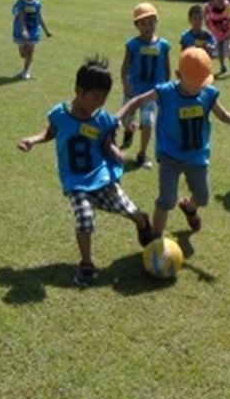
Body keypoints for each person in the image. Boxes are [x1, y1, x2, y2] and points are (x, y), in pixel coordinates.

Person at [17, 56, 153, 288]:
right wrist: (32, 140)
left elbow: (107, 143)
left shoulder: (100, 119)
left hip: (101, 177)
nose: (99, 103)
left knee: (128, 209)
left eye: (104, 98)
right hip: (75, 181)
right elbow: (50, 133)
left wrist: (117, 154)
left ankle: (142, 222)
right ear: (79, 91)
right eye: (95, 97)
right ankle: (86, 264)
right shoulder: (60, 114)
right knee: (85, 218)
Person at [116, 47, 230, 238]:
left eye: (201, 83)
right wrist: (119, 117)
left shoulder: (207, 93)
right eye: (194, 84)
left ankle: (190, 208)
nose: (198, 87)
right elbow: (138, 100)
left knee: (203, 197)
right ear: (178, 75)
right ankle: (155, 237)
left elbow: (221, 114)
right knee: (166, 200)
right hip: (169, 156)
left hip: (197, 156)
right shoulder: (165, 92)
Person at [120, 2, 171, 169]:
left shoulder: (163, 45)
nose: (147, 26)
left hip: (152, 91)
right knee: (126, 120)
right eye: (143, 23)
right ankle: (129, 130)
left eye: (150, 22)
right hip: (134, 89)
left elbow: (166, 66)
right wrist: (125, 83)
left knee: (148, 122)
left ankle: (142, 154)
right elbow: (125, 66)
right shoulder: (133, 44)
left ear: (156, 22)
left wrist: (167, 87)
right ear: (136, 25)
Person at [12, 0, 52, 80]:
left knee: (30, 51)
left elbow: (40, 17)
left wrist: (46, 30)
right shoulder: (21, 3)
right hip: (21, 31)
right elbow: (20, 18)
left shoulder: (37, 4)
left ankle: (25, 71)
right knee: (23, 54)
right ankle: (25, 55)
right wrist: (23, 30)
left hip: (34, 30)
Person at [204, 0, 230, 76]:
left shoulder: (227, 5)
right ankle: (223, 67)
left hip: (227, 31)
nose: (221, 0)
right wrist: (208, 27)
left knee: (228, 48)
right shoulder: (208, 7)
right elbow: (205, 18)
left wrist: (225, 24)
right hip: (215, 33)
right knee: (219, 51)